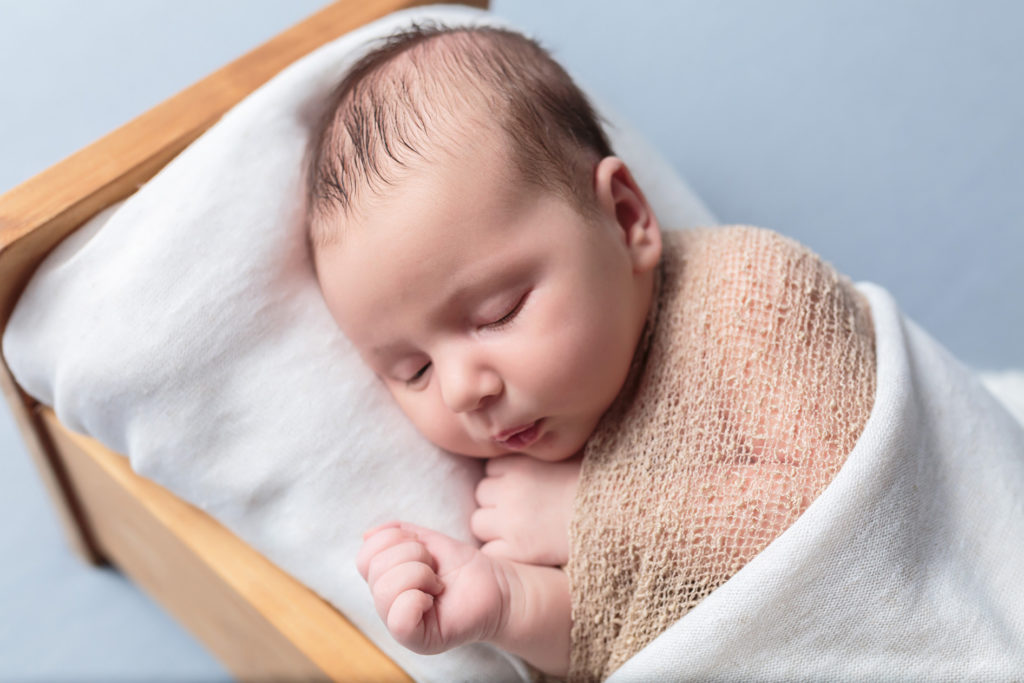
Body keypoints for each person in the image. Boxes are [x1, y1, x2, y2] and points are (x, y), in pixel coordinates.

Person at [306, 23, 875, 680]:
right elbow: (639, 636)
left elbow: (848, 512)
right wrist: (509, 604)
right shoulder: (528, 476)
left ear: (628, 218)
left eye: (498, 312)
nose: (462, 389)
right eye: (414, 370)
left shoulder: (749, 295)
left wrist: (589, 511)